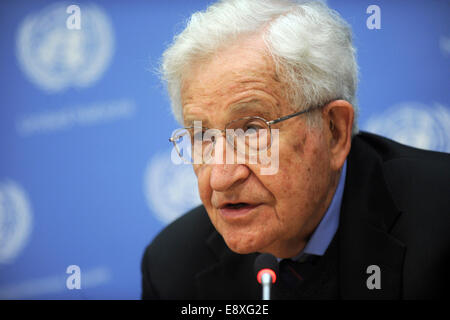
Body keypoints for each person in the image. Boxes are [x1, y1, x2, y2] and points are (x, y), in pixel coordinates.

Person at [141, 0, 450, 299]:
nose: (220, 178)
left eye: (251, 131)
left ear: (334, 131)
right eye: (203, 136)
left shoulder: (440, 227)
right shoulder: (172, 268)